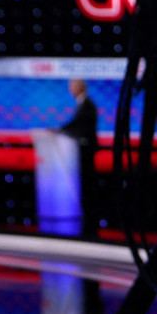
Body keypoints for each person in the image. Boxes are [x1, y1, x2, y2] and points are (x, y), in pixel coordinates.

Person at [56, 79, 100, 235]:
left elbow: (79, 124)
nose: (70, 90)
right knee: (85, 181)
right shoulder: (83, 103)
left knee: (88, 181)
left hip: (86, 148)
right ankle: (87, 213)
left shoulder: (87, 104)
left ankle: (90, 217)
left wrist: (60, 130)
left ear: (79, 88)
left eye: (72, 87)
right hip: (83, 148)